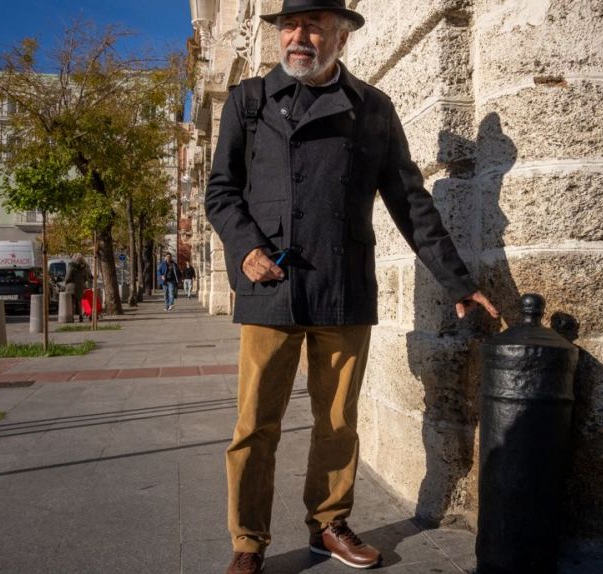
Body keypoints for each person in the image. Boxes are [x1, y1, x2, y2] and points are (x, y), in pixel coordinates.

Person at [205, 2, 498, 573]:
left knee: (336, 420)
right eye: (290, 25)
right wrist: (247, 251)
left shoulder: (373, 109)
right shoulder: (248, 102)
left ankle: (328, 525)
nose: (299, 36)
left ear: (340, 35)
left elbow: (411, 201)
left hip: (342, 287)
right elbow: (221, 192)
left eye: (314, 26)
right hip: (271, 287)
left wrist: (456, 280)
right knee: (254, 426)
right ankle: (247, 542)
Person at [63, 253, 90, 322]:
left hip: (71, 286)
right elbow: (87, 277)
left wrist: (65, 283)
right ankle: (80, 316)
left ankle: (71, 317)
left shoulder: (72, 266)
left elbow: (68, 277)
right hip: (80, 286)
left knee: (71, 303)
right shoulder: (84, 267)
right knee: (79, 302)